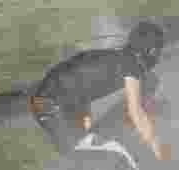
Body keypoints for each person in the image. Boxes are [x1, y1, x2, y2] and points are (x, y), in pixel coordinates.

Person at [29, 21, 165, 159]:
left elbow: (79, 85)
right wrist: (156, 146)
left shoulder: (116, 58)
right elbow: (136, 112)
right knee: (82, 156)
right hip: (50, 103)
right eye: (158, 50)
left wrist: (86, 125)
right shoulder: (131, 64)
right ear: (151, 50)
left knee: (86, 152)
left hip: (50, 100)